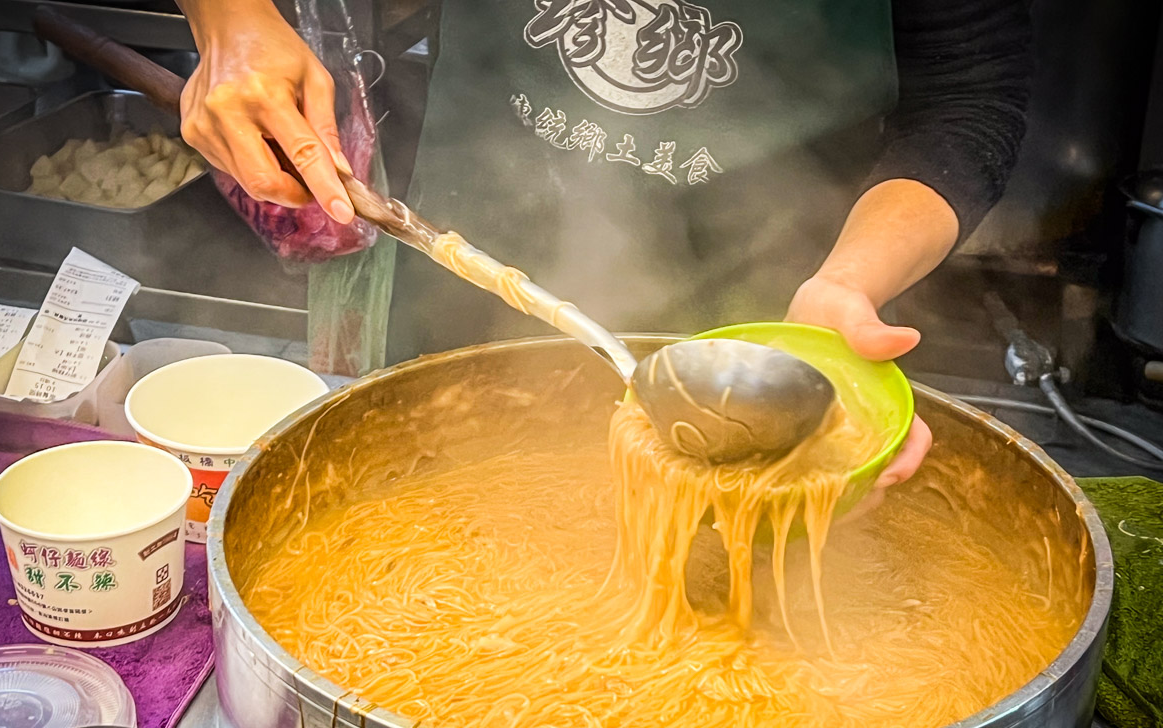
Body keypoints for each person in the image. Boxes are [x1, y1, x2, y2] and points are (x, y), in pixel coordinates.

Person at [175, 0, 1033, 490]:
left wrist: (850, 283)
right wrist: (232, 23)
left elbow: (968, 100)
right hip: (464, 302)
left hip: (763, 330)